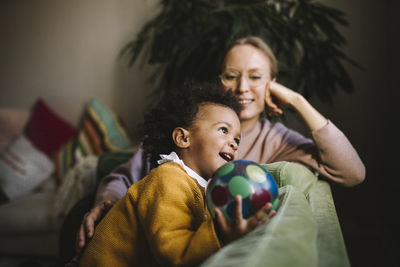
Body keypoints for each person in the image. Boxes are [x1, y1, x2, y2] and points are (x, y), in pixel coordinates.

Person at [75, 36, 365, 253]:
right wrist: (104, 202)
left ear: (272, 84)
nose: (242, 87)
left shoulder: (277, 139)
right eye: (231, 75)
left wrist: (297, 101)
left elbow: (353, 173)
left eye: (255, 77)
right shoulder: (192, 128)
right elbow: (124, 175)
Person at [78, 83, 276, 266]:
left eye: (237, 140)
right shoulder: (168, 179)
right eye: (223, 130)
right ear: (183, 138)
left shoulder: (204, 189)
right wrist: (221, 233)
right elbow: (173, 253)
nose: (233, 143)